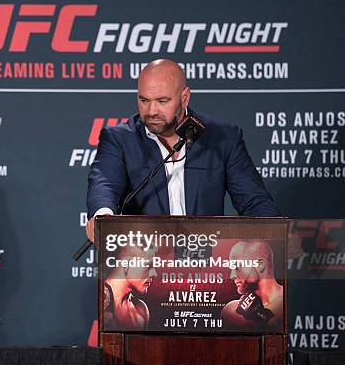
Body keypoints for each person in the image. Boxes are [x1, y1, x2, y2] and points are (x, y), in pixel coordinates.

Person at [85, 59, 279, 242]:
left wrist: (275, 235)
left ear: (184, 98)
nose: (151, 111)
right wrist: (103, 216)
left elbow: (254, 201)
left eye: (162, 101)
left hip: (208, 265)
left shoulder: (223, 138)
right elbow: (104, 184)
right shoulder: (119, 139)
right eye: (144, 100)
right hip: (144, 264)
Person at [220, 240, 284, 330]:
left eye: (237, 266)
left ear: (260, 265)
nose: (232, 276)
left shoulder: (291, 301)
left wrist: (258, 314)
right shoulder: (231, 310)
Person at [103, 245, 157, 330]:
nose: (154, 273)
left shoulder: (141, 309)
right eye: (149, 266)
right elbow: (92, 340)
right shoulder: (98, 300)